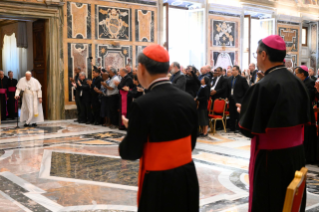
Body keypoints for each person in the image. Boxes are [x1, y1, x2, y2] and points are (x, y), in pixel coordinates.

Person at [119, 44, 199, 211]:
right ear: (168, 68)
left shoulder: (142, 104)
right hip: (187, 175)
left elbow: (130, 152)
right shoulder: (187, 99)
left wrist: (131, 127)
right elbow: (191, 142)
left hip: (158, 180)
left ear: (141, 68)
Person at [238, 35, 310, 212]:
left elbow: (246, 128)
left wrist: (244, 112)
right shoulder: (298, 82)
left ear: (264, 55)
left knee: (271, 202)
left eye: (256, 54)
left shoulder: (263, 85)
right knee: (292, 201)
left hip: (272, 159)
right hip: (297, 155)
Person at [295, 66, 318, 164]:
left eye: (297, 73)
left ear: (302, 74)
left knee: (309, 136)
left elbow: (308, 97)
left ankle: (309, 157)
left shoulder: (310, 83)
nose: (295, 75)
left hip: (308, 113)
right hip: (302, 113)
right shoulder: (302, 82)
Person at [227, 65, 248, 133]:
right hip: (231, 98)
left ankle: (238, 128)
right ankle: (232, 127)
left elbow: (247, 89)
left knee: (238, 114)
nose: (232, 71)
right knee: (232, 113)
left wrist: (243, 99)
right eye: (231, 70)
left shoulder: (242, 79)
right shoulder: (230, 78)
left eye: (233, 70)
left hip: (239, 99)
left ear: (237, 71)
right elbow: (228, 89)